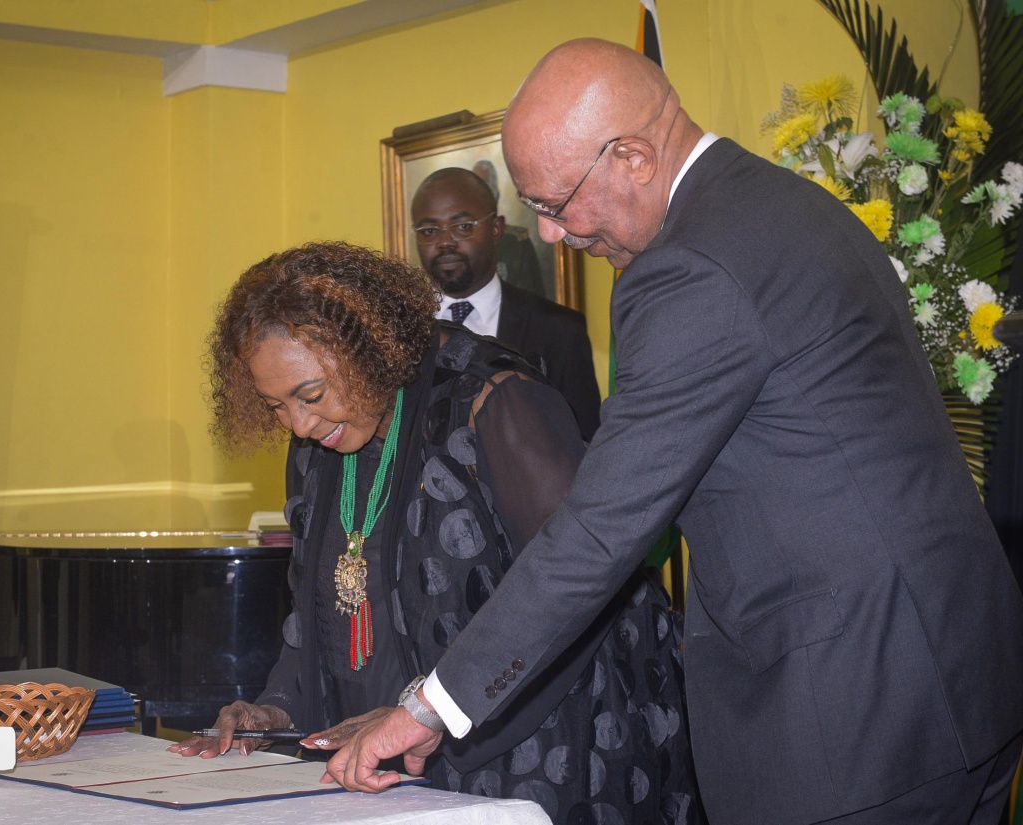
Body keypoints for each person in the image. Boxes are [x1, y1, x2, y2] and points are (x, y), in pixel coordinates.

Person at [324, 39, 1023, 825]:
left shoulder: (689, 268)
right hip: (955, 677)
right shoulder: (782, 202)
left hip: (853, 713)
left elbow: (598, 530)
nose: (552, 236)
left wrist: (430, 704)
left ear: (632, 156)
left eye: (554, 204)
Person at [169, 241, 702, 823]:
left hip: (557, 748)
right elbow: (320, 611)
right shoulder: (319, 439)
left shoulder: (493, 400)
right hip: (405, 752)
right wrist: (273, 711)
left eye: (310, 395)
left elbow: (581, 592)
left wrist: (433, 711)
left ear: (366, 349)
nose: (297, 422)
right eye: (275, 406)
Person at [412, 167, 601, 440]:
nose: (444, 242)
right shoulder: (395, 329)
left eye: (463, 227)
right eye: (429, 230)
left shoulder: (559, 331)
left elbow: (583, 443)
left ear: (496, 229)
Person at [470, 159, 548, 299]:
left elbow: (535, 299)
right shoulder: (460, 243)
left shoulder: (517, 243)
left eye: (483, 188)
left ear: (495, 195)